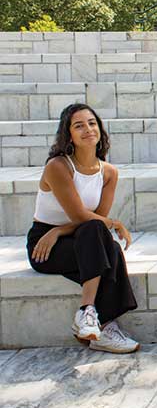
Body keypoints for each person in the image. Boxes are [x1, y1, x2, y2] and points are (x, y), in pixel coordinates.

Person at [27, 103, 139, 353]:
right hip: (44, 246)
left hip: (73, 235)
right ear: (68, 135)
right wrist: (114, 223)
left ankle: (91, 317)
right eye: (78, 125)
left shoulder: (108, 172)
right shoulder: (58, 166)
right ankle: (102, 323)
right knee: (108, 247)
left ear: (100, 129)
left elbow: (94, 219)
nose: (88, 129)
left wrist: (59, 230)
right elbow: (80, 215)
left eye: (92, 123)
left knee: (105, 243)